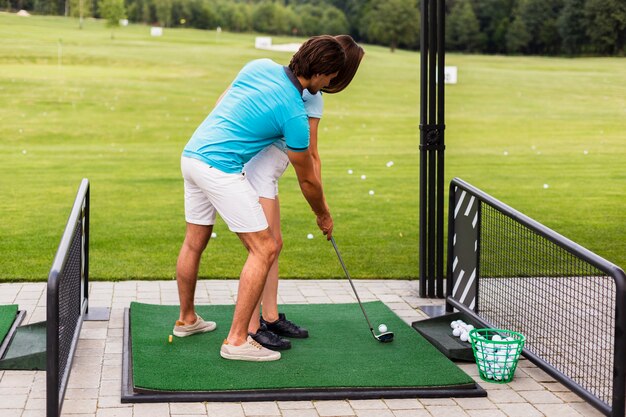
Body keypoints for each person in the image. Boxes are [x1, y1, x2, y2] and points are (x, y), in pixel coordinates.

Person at [173, 35, 346, 362]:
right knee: (265, 247)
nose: (329, 84)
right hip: (219, 168)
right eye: (330, 78)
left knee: (195, 240)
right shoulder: (295, 115)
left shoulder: (259, 66)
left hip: (192, 154)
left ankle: (187, 320)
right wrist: (323, 214)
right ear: (321, 72)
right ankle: (237, 340)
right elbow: (307, 179)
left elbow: (222, 101)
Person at [243, 35, 365, 350]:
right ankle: (254, 327)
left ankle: (269, 316)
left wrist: (319, 203)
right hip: (258, 173)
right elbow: (310, 158)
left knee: (274, 245)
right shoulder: (310, 95)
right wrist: (321, 210)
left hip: (265, 173)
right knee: (265, 248)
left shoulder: (310, 91)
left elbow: (312, 157)